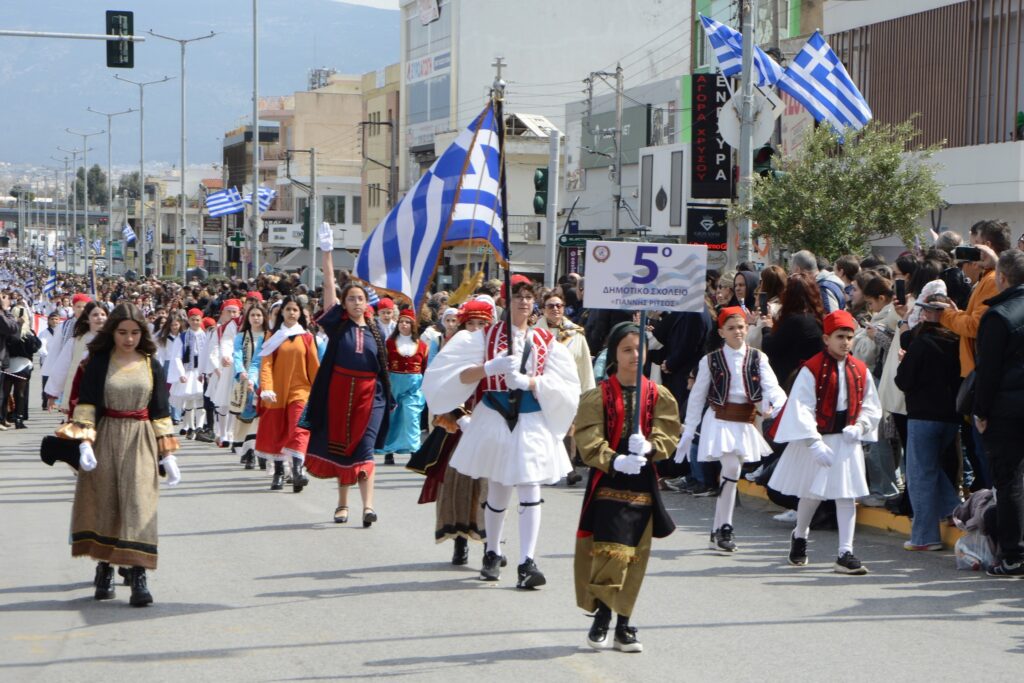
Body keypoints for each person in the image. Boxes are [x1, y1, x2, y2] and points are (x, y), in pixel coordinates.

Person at [422, 276, 581, 588]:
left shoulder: (546, 343)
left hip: (530, 417)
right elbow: (456, 374)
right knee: (498, 487)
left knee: (530, 487)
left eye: (528, 297)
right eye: (518, 296)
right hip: (494, 415)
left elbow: (565, 387)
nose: (524, 302)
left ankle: (527, 561)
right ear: (507, 302)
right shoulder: (483, 337)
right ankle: (492, 552)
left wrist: (531, 382)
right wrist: (488, 368)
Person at [56, 302, 181, 607]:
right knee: (106, 502)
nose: (128, 339)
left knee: (139, 503)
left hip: (141, 438)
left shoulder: (151, 364)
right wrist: (84, 442)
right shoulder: (98, 362)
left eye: (135, 333)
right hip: (106, 436)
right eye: (123, 332)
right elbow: (86, 404)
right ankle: (104, 569)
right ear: (113, 332)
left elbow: (160, 412)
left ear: (142, 333)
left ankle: (139, 575)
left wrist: (169, 455)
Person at [573, 322, 680, 653]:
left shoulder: (658, 395)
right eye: (627, 350)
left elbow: (669, 434)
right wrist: (614, 459)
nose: (635, 355)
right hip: (609, 479)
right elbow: (588, 436)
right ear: (614, 354)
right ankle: (603, 615)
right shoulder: (598, 396)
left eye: (639, 349)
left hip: (643, 484)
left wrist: (650, 447)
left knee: (636, 553)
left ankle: (623, 623)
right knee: (610, 549)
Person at [767, 310, 883, 574]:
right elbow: (801, 407)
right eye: (840, 337)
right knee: (811, 493)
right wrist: (813, 442)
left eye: (849, 337)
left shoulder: (860, 369)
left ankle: (845, 552)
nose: (845, 342)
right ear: (826, 338)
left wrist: (861, 426)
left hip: (847, 438)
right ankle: (800, 535)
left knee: (846, 495)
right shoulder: (811, 369)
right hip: (819, 439)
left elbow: (871, 406)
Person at [675, 307, 787, 551]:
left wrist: (777, 404)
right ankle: (726, 527)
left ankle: (717, 529)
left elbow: (772, 386)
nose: (737, 332)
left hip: (745, 422)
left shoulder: (758, 357)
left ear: (747, 329)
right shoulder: (711, 360)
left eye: (741, 327)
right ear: (721, 332)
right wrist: (689, 429)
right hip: (720, 420)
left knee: (731, 472)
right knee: (732, 468)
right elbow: (697, 397)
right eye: (731, 328)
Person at [304, 223, 392, 525]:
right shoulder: (337, 323)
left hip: (371, 395)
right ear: (345, 303)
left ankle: (368, 507)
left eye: (361, 299)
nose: (357, 303)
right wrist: (327, 254)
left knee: (365, 447)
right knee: (343, 447)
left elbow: (383, 367)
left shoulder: (376, 329)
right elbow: (329, 286)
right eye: (352, 298)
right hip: (339, 392)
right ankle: (343, 504)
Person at [414, 300, 493, 565]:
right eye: (471, 323)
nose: (476, 329)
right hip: (457, 430)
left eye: (482, 324)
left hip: (491, 427)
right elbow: (442, 390)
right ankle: (460, 542)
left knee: (489, 488)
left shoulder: (495, 353)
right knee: (458, 488)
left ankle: (491, 547)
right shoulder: (451, 352)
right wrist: (460, 418)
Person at [894, 294, 962, 551]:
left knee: (920, 474)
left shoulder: (922, 343)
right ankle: (960, 512)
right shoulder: (958, 341)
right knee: (929, 469)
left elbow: (903, 381)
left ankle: (924, 536)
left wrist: (904, 362)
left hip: (923, 416)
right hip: (950, 417)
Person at [973, 249, 1024, 577]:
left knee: (1009, 482)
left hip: (1006, 412)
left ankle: (1013, 555)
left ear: (1001, 278)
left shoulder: (998, 316)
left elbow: (987, 372)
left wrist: (980, 412)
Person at [255, 296, 320, 492]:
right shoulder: (272, 336)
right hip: (276, 391)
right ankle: (279, 472)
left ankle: (298, 470)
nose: (292, 313)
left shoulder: (306, 337)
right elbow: (266, 364)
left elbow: (314, 367)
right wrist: (266, 387)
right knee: (278, 430)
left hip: (301, 391)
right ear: (282, 312)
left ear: (300, 314)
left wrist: (320, 392)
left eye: (295, 310)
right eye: (288, 309)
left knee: (299, 427)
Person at [377, 308, 429, 466]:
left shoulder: (422, 346)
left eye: (407, 322)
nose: (404, 325)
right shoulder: (389, 343)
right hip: (394, 383)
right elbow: (383, 365)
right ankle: (389, 451)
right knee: (393, 417)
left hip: (413, 384)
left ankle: (414, 450)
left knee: (411, 416)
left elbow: (425, 368)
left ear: (413, 325)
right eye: (401, 321)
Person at [760, 273, 825, 390]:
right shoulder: (818, 318)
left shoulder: (795, 321)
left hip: (793, 384)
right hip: (814, 381)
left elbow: (770, 347)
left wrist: (767, 328)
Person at [45, 302, 108, 412]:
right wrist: (52, 393)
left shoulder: (114, 341)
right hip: (81, 393)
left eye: (103, 314)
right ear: (87, 319)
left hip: (108, 395)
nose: (99, 318)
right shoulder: (75, 342)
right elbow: (62, 368)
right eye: (95, 315)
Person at [232, 303, 269, 469]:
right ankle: (247, 450)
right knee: (245, 418)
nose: (256, 318)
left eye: (259, 315)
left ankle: (257, 451)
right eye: (253, 315)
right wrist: (241, 372)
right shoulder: (241, 336)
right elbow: (237, 355)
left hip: (264, 380)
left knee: (260, 417)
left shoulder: (269, 336)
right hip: (244, 381)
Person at [206, 299, 242, 448]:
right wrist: (217, 368)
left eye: (235, 312)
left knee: (235, 402)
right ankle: (222, 433)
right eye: (229, 312)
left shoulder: (241, 328)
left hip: (237, 370)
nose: (232, 315)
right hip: (221, 370)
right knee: (222, 404)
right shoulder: (218, 330)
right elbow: (213, 351)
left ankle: (231, 432)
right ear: (222, 313)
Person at [170, 309, 208, 439]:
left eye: (197, 320)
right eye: (192, 319)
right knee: (190, 399)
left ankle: (200, 426)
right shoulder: (183, 336)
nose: (195, 322)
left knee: (201, 399)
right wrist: (181, 373)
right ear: (189, 320)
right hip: (189, 369)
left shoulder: (206, 335)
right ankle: (191, 426)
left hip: (202, 370)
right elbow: (177, 356)